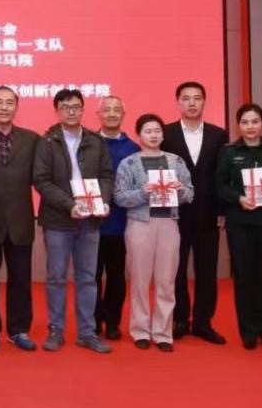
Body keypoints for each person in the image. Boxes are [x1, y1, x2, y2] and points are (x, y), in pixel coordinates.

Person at [32, 88, 115, 354]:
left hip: (90, 219)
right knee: (56, 277)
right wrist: (70, 205)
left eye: (76, 106)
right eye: (65, 107)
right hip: (58, 220)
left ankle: (87, 332)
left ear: (83, 109)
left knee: (88, 278)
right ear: (57, 110)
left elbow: (107, 175)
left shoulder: (95, 140)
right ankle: (56, 330)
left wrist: (102, 200)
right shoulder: (46, 141)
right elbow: (41, 180)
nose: (71, 111)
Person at [112, 114, 194, 352]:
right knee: (139, 281)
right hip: (140, 224)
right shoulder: (129, 163)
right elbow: (119, 197)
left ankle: (163, 332)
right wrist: (143, 192)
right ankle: (140, 330)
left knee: (166, 281)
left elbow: (190, 193)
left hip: (169, 223)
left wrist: (180, 190)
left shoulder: (175, 161)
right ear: (139, 135)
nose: (154, 135)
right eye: (148, 131)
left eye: (157, 131)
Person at [160, 81, 229, 344]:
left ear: (204, 102)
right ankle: (179, 319)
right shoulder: (166, 133)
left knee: (207, 270)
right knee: (175, 270)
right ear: (178, 102)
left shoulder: (218, 134)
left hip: (208, 213)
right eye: (186, 98)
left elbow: (222, 175)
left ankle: (203, 322)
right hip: (174, 213)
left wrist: (222, 210)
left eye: (197, 98)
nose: (192, 103)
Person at [216, 104, 262, 349]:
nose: (250, 127)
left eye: (255, 121)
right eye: (245, 122)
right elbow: (220, 186)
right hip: (240, 222)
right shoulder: (229, 152)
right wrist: (238, 198)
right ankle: (248, 330)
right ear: (238, 125)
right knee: (244, 276)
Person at [0, 86, 39, 352]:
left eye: (9, 102)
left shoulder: (32, 139)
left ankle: (19, 330)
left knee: (21, 279)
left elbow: (41, 178)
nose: (4, 107)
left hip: (21, 221)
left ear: (16, 107)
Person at [95, 95, 139, 341]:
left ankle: (112, 322)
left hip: (121, 224)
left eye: (116, 110)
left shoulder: (133, 149)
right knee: (90, 277)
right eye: (106, 110)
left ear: (123, 114)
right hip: (90, 223)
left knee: (116, 276)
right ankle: (92, 322)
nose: (111, 114)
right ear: (98, 114)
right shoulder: (87, 143)